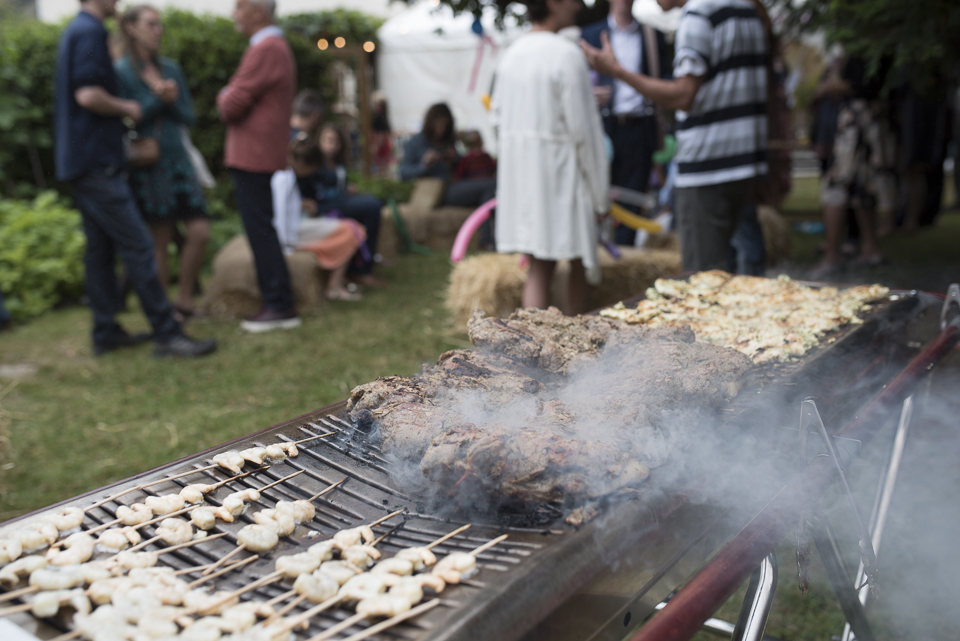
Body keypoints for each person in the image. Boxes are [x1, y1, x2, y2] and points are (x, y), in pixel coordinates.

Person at [54, 0, 215, 358]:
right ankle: (166, 333)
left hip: (81, 160)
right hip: (98, 160)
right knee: (140, 245)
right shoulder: (91, 31)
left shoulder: (76, 30)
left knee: (99, 251)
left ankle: (105, 331)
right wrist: (129, 107)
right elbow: (88, 94)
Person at [581, 0, 769, 273]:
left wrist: (617, 72)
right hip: (744, 160)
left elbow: (683, 95)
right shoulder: (747, 9)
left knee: (702, 280)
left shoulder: (697, 13)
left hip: (707, 165)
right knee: (743, 270)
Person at [492, 0, 609, 313]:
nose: (579, 4)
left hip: (526, 177)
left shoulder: (511, 53)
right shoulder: (566, 54)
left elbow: (497, 119)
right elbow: (584, 132)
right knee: (578, 260)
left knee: (539, 265)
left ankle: (535, 352)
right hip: (563, 176)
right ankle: (577, 342)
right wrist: (600, 195)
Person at [115, 4, 210, 321]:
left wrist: (169, 98)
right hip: (150, 163)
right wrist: (158, 99)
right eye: (151, 24)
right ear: (131, 27)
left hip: (178, 160)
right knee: (160, 239)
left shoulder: (171, 68)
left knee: (199, 232)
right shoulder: (122, 72)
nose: (158, 30)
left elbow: (189, 116)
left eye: (160, 25)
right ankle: (163, 312)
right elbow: (129, 115)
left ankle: (184, 299)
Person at [218, 0, 300, 332]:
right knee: (262, 227)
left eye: (239, 6)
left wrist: (224, 95)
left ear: (258, 11)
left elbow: (230, 104)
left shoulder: (266, 48)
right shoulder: (273, 47)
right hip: (258, 153)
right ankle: (279, 301)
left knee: (260, 229)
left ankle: (279, 304)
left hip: (252, 154)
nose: (233, 13)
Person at [581, 0, 670, 246]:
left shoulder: (653, 37)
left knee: (634, 197)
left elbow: (665, 83)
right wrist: (590, 94)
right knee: (600, 193)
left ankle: (625, 250)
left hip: (640, 127)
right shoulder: (589, 35)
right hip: (605, 129)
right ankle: (601, 249)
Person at [810, 54, 895, 278]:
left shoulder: (864, 51)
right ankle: (870, 249)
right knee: (863, 190)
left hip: (857, 124)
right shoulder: (877, 47)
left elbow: (861, 86)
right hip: (871, 121)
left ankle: (832, 256)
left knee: (835, 186)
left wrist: (831, 85)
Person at [272, 135, 366, 302]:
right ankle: (334, 286)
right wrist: (284, 246)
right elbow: (278, 214)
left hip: (294, 229)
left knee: (353, 228)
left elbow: (283, 209)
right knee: (352, 229)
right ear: (303, 164)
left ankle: (336, 283)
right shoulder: (284, 178)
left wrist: (300, 205)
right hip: (291, 234)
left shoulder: (287, 176)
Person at [299, 125, 386, 288]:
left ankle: (359, 267)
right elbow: (306, 194)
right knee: (371, 205)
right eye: (328, 141)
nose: (332, 146)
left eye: (336, 142)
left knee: (367, 207)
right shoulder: (312, 164)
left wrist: (346, 190)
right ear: (319, 141)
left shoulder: (339, 164)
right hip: (323, 209)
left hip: (340, 202)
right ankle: (360, 272)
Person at [399, 103, 497, 211]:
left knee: (491, 185)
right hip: (434, 192)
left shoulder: (447, 141)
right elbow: (403, 173)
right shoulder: (415, 142)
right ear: (430, 123)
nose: (441, 130)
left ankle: (485, 223)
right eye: (438, 125)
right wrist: (424, 166)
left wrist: (455, 158)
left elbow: (462, 167)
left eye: (445, 126)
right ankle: (486, 226)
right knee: (491, 185)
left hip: (451, 185)